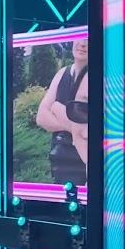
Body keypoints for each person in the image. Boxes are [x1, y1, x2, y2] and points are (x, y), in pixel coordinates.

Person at [36, 40, 89, 185]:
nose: (82, 44)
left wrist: (58, 111)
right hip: (60, 160)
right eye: (79, 38)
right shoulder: (62, 73)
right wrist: (76, 129)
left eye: (87, 39)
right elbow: (41, 117)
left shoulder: (104, 77)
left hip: (86, 161)